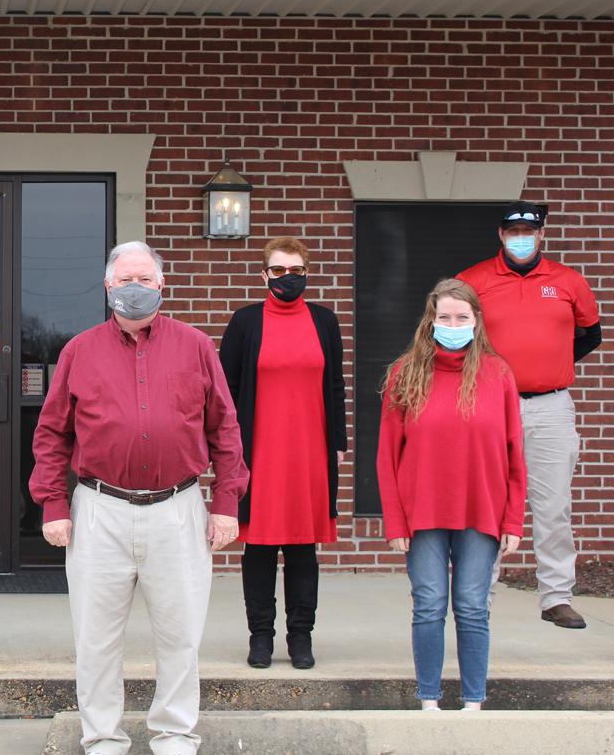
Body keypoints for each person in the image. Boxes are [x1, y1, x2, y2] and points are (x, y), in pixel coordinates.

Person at [30, 240, 248, 755]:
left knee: (181, 635)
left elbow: (225, 427)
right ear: (108, 286)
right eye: (125, 279)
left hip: (178, 509)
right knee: (97, 639)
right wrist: (53, 505)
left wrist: (227, 502)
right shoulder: (78, 350)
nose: (135, 288)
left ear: (162, 286)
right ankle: (103, 736)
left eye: (145, 280)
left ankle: (174, 734)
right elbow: (51, 434)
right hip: (100, 509)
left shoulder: (196, 346)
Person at [377, 278, 526, 712]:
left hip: (482, 510)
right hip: (421, 513)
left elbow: (515, 451)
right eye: (445, 317)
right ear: (432, 321)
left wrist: (513, 519)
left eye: (462, 317)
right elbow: (386, 456)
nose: (453, 324)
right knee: (428, 606)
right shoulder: (406, 373)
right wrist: (394, 520)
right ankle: (429, 701)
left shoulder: (498, 374)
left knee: (472, 607)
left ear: (476, 321)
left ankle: (473, 703)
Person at [458, 201, 601, 630]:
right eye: (512, 231)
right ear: (501, 235)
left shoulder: (568, 281)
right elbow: (452, 334)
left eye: (529, 231)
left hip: (551, 407)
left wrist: (554, 362)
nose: (521, 238)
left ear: (541, 235)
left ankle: (556, 597)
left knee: (553, 505)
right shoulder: (473, 280)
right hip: (490, 405)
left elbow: (590, 332)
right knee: (486, 503)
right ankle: (479, 592)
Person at [219, 236, 346, 670]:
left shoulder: (325, 322)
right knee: (257, 545)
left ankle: (300, 638)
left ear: (307, 273)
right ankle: (260, 637)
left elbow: (335, 386)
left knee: (301, 548)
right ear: (264, 275)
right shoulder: (245, 322)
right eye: (278, 270)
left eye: (295, 270)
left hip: (309, 450)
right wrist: (227, 451)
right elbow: (225, 390)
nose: (287, 278)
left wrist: (339, 444)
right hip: (259, 452)